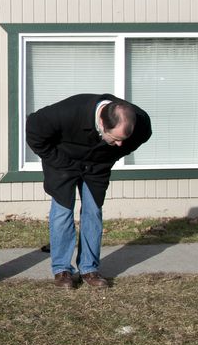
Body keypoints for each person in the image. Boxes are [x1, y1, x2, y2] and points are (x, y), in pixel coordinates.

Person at [25, 93, 152, 289]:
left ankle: (89, 268)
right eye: (116, 138)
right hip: (63, 163)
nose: (120, 144)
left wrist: (110, 156)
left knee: (93, 212)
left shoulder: (140, 122)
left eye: (123, 139)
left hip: (97, 165)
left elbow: (140, 137)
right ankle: (62, 270)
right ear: (102, 122)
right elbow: (34, 130)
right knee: (62, 212)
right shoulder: (67, 112)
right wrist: (59, 161)